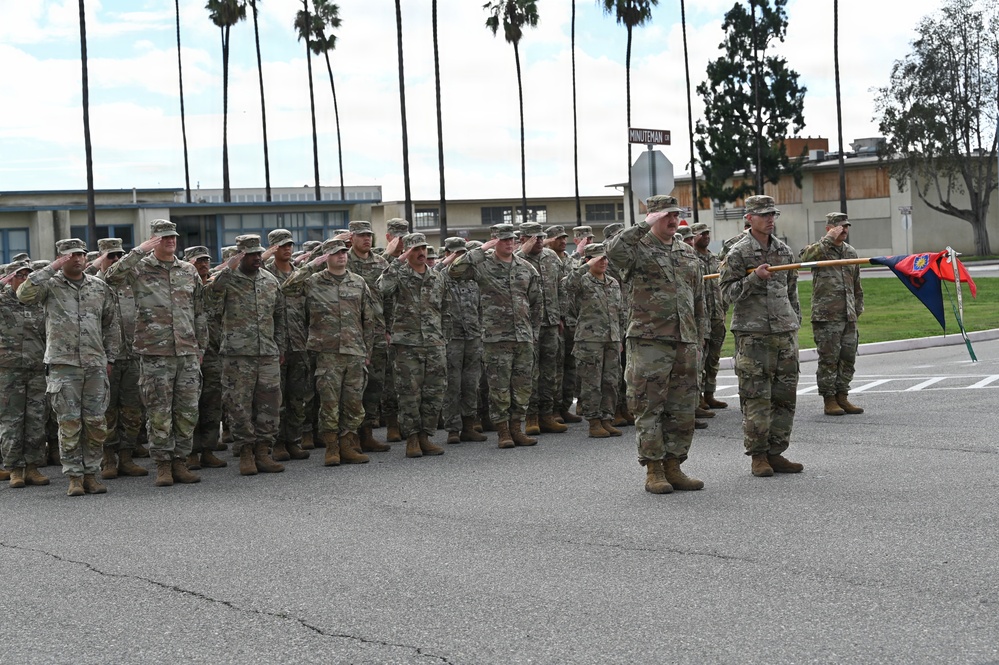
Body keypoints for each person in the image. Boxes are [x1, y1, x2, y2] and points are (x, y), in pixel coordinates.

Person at [606, 196, 706, 494]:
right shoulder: (637, 248)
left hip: (684, 340)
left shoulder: (686, 252)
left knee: (683, 406)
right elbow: (614, 252)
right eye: (666, 216)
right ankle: (654, 469)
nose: (673, 221)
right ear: (652, 218)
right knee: (649, 404)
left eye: (676, 215)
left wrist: (698, 339)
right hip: (650, 340)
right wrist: (644, 224)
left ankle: (675, 465)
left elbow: (697, 299)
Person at [104, 219, 207, 487]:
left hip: (186, 353)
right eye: (163, 238)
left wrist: (201, 348)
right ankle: (163, 464)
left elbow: (198, 311)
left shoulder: (188, 271)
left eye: (173, 237)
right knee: (159, 412)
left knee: (186, 411)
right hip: (154, 353)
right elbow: (111, 277)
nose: (170, 241)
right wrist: (138, 250)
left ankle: (180, 462)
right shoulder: (139, 268)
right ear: (153, 240)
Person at [17, 238, 120, 496]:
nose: (77, 258)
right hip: (64, 365)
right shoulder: (49, 286)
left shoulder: (99, 287)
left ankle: (91, 474)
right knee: (69, 423)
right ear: (61, 258)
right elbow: (24, 294)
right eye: (70, 255)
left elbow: (110, 324)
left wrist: (109, 358)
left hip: (95, 364)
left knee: (96, 422)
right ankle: (74, 476)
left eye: (81, 254)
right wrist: (50, 268)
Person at [718, 195, 804, 477]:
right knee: (756, 396)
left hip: (784, 333)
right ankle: (758, 456)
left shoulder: (784, 251)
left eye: (773, 214)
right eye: (764, 214)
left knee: (784, 396)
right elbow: (727, 293)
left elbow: (792, 292)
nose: (770, 219)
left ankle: (776, 452)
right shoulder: (738, 253)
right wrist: (754, 277)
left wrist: (795, 322)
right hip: (753, 335)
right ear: (749, 218)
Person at [445, 223, 541, 448]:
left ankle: (517, 428)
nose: (508, 243)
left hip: (523, 337)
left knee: (522, 385)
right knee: (499, 387)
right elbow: (454, 272)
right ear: (494, 241)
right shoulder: (482, 265)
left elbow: (536, 303)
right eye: (503, 239)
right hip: (495, 338)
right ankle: (503, 432)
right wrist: (480, 250)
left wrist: (533, 332)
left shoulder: (526, 268)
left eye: (511, 240)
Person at [282, 238, 374, 466]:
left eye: (343, 252)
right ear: (326, 258)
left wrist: (367, 351)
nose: (341, 256)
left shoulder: (358, 282)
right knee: (329, 403)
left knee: (353, 402)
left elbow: (368, 319)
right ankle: (332, 447)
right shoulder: (314, 281)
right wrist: (312, 264)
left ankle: (348, 445)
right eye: (335, 253)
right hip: (327, 353)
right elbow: (287, 288)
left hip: (354, 351)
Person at [209, 234, 287, 476]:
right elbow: (208, 300)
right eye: (250, 254)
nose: (256, 258)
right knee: (238, 405)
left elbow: (279, 316)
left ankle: (263, 452)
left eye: (258, 253)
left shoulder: (270, 281)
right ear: (239, 256)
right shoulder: (227, 281)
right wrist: (225, 271)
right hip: (237, 355)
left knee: (270, 405)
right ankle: (245, 453)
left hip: (267, 354)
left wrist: (280, 346)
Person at [378, 233, 450, 458]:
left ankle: (425, 437)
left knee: (434, 392)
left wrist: (442, 337)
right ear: (406, 252)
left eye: (424, 249)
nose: (421, 253)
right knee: (409, 393)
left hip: (434, 342)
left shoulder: (437, 277)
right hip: (407, 344)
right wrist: (398, 261)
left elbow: (444, 309)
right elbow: (381, 289)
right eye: (415, 249)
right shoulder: (399, 274)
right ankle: (411, 438)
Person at [93, 237, 152, 478]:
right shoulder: (95, 285)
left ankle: (126, 457)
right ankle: (108, 458)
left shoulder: (132, 284)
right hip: (107, 359)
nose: (116, 260)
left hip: (133, 356)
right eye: (111, 256)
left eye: (120, 255)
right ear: (101, 260)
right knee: (106, 410)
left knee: (132, 409)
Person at [799, 213, 865, 415]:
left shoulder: (851, 252)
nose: (844, 230)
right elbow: (804, 258)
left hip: (848, 314)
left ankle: (842, 396)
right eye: (839, 227)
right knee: (829, 359)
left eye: (846, 227)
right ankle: (829, 399)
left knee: (847, 357)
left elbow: (856, 283)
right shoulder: (820, 250)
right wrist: (828, 240)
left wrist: (858, 307)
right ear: (829, 229)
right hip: (826, 316)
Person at [262, 228, 314, 460]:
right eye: (282, 245)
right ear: (272, 248)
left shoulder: (300, 273)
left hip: (300, 342)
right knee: (277, 398)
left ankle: (294, 440)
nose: (287, 249)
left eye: (290, 245)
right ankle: (278, 442)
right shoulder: (266, 274)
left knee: (297, 397)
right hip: (276, 344)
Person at [564, 243, 624, 438]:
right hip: (589, 340)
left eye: (605, 258)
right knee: (592, 383)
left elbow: (620, 313)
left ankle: (607, 419)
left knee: (611, 381)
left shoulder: (613, 282)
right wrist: (584, 265)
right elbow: (567, 284)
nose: (604, 262)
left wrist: (620, 337)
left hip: (612, 339)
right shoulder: (582, 280)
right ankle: (594, 422)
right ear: (589, 260)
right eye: (599, 258)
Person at [347, 220, 395, 448]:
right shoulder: (341, 260)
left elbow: (388, 298)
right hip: (349, 332)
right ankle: (349, 435)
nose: (367, 239)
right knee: (352, 386)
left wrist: (387, 329)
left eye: (369, 235)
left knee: (375, 384)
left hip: (375, 332)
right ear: (351, 237)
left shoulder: (381, 263)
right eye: (361, 235)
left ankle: (366, 433)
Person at [515, 222, 567, 435]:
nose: (537, 241)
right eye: (533, 237)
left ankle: (548, 414)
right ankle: (531, 417)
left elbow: (561, 287)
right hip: (528, 323)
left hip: (551, 321)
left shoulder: (551, 257)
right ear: (523, 239)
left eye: (540, 237)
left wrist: (562, 315)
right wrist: (522, 252)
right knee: (530, 371)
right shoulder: (516, 260)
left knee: (550, 370)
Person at [0, 261, 49, 488]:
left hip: (36, 368)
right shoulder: (3, 302)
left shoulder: (38, 302)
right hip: (8, 370)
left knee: (36, 419)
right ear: (10, 278)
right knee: (12, 421)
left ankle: (32, 467)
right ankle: (14, 469)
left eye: (28, 275)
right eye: (19, 275)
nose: (25, 279)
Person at [438, 237, 486, 445]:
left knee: (471, 383)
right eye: (454, 253)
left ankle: (469, 425)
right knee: (452, 384)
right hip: (452, 337)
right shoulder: (441, 277)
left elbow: (482, 308)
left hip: (473, 336)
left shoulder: (473, 277)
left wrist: (481, 330)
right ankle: (452, 429)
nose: (459, 257)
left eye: (462, 253)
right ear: (447, 254)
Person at [689, 223, 729, 413]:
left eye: (707, 233)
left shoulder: (714, 259)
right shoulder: (691, 259)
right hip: (701, 317)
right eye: (701, 234)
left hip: (717, 315)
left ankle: (709, 394)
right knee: (699, 360)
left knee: (713, 358)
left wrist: (723, 308)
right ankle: (697, 400)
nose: (705, 236)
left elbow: (723, 286)